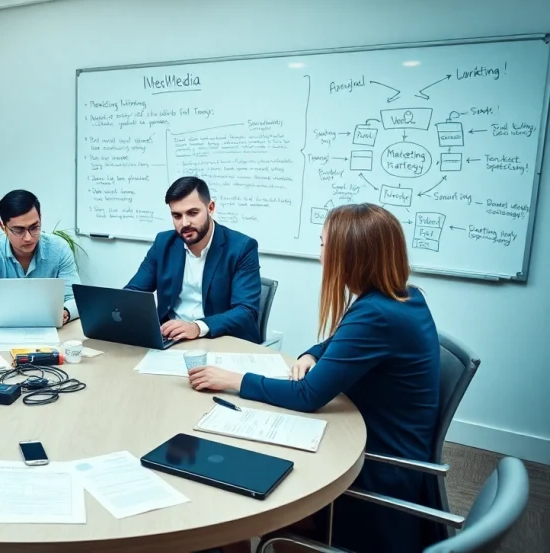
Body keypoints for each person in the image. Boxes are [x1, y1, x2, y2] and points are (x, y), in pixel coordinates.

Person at [189, 203, 441, 553]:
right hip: (387, 446)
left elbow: (308, 395)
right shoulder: (402, 297)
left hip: (371, 472)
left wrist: (234, 379)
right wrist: (312, 353)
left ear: (351, 257)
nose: (320, 254)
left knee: (241, 482)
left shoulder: (376, 314)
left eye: (324, 245)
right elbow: (342, 341)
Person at [125, 176, 262, 343]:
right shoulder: (163, 243)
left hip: (220, 340)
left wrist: (197, 327)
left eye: (192, 213)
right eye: (177, 216)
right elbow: (134, 292)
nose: (185, 223)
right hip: (172, 340)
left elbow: (246, 311)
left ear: (210, 208)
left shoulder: (241, 247)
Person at [0, 189, 80, 324]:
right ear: (3, 227)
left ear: (41, 218)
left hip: (50, 330)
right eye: (18, 230)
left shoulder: (59, 248)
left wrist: (65, 311)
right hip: (2, 332)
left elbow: (75, 298)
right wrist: (34, 310)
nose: (28, 238)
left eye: (34, 227)